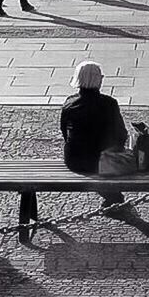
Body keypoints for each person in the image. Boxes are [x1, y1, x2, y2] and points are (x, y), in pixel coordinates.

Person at [60, 61, 128, 213]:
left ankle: (114, 197)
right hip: (103, 161)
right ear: (99, 80)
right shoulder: (109, 104)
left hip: (75, 160)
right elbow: (121, 134)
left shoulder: (69, 103)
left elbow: (64, 132)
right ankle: (114, 197)